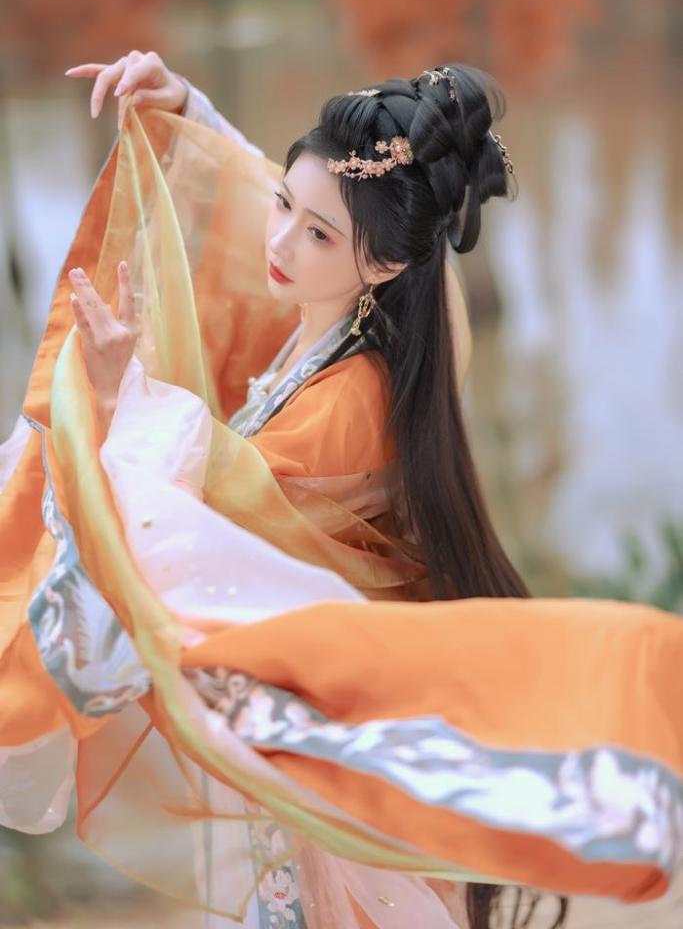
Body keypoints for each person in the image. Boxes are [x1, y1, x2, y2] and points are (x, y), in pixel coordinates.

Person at [1, 51, 682, 929]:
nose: (278, 243)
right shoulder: (403, 313)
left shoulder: (347, 408)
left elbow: (170, 530)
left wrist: (100, 396)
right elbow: (281, 195)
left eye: (316, 235)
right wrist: (186, 113)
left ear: (387, 266)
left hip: (324, 774)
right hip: (313, 753)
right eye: (281, 206)